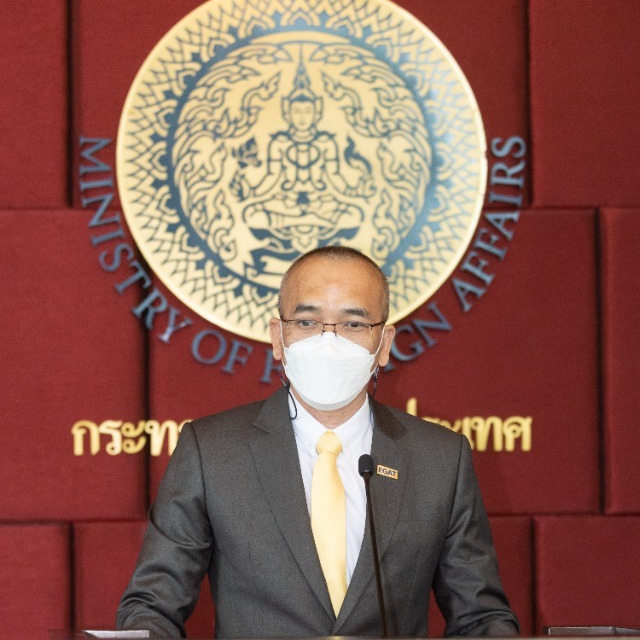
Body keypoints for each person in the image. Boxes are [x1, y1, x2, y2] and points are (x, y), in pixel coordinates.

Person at [117, 246, 519, 638]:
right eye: (307, 322)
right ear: (278, 337)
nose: (329, 341)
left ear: (384, 344)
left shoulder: (440, 459)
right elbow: (151, 608)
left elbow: (480, 618)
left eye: (353, 324)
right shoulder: (212, 452)